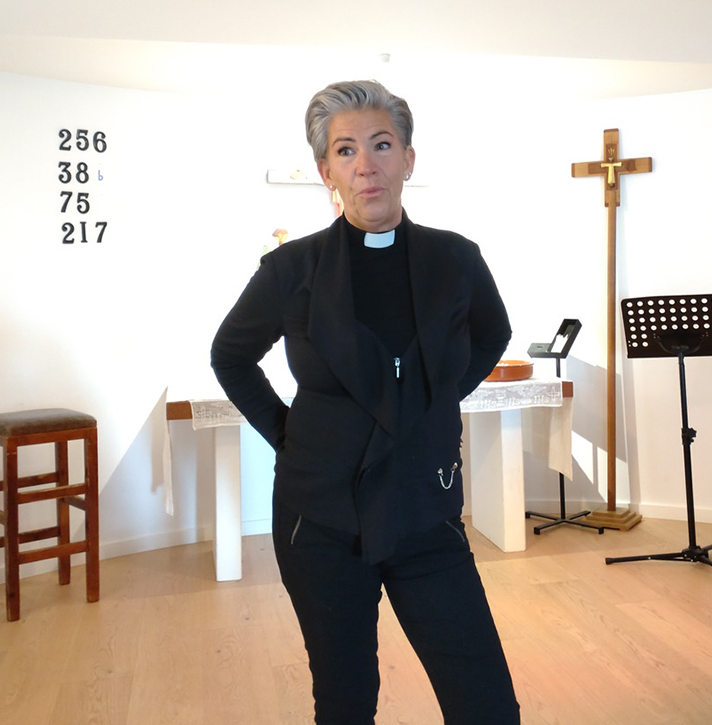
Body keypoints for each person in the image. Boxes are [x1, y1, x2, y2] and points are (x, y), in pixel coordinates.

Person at [210, 80, 520, 724]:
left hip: (426, 512)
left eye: (381, 145)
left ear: (408, 158)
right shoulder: (290, 270)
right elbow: (230, 356)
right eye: (345, 150)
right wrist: (289, 438)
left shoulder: (456, 259)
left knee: (484, 699)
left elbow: (493, 334)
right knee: (345, 698)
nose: (365, 165)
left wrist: (431, 403)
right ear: (326, 170)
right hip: (321, 519)